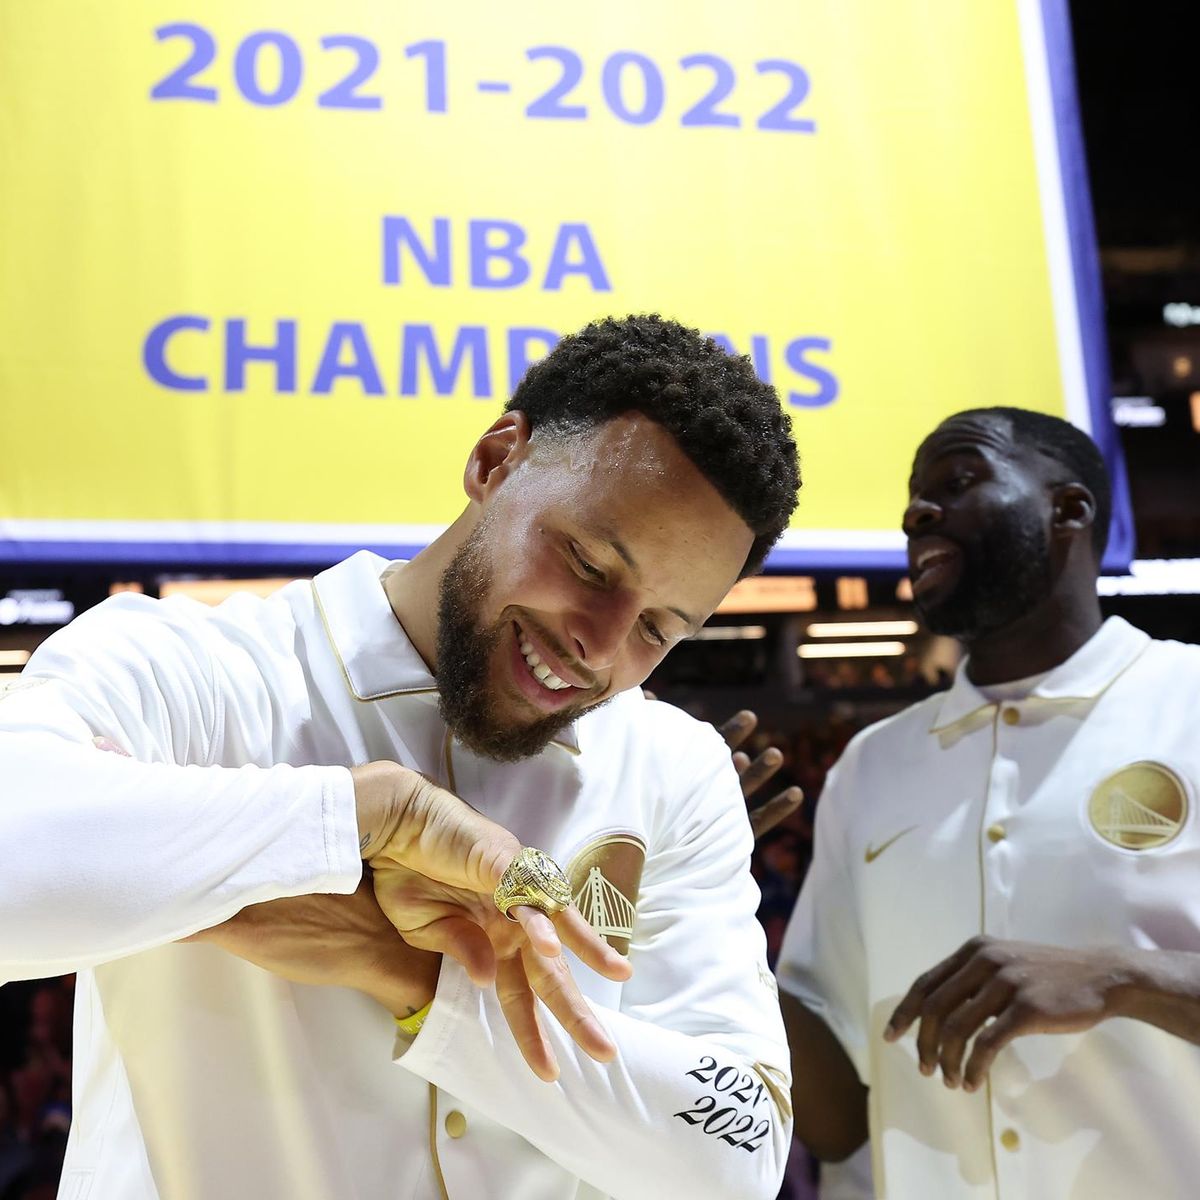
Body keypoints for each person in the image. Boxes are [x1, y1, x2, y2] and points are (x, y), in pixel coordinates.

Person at [0, 315, 801, 1200]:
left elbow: (740, 1159)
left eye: (657, 628)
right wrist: (362, 817)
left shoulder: (673, 766)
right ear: (495, 461)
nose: (600, 646)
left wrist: (418, 974)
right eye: (588, 563)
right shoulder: (197, 671)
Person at [776, 406, 1200, 1199]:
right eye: (914, 497)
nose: (917, 513)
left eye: (959, 481)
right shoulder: (872, 764)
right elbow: (837, 1123)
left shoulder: (1189, 701)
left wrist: (1126, 978)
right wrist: (704, 898)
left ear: (1069, 509)